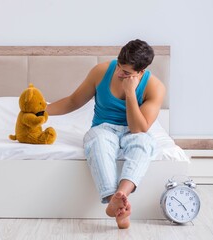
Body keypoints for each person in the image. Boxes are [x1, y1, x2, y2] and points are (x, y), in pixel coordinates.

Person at [46, 39, 165, 229]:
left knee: (144, 143)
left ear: (140, 72)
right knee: (99, 141)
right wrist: (42, 111)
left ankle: (121, 196)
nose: (119, 73)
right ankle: (115, 202)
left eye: (126, 73)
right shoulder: (100, 71)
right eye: (118, 66)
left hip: (133, 130)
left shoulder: (155, 87)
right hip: (103, 128)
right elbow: (73, 101)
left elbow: (138, 129)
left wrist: (131, 93)